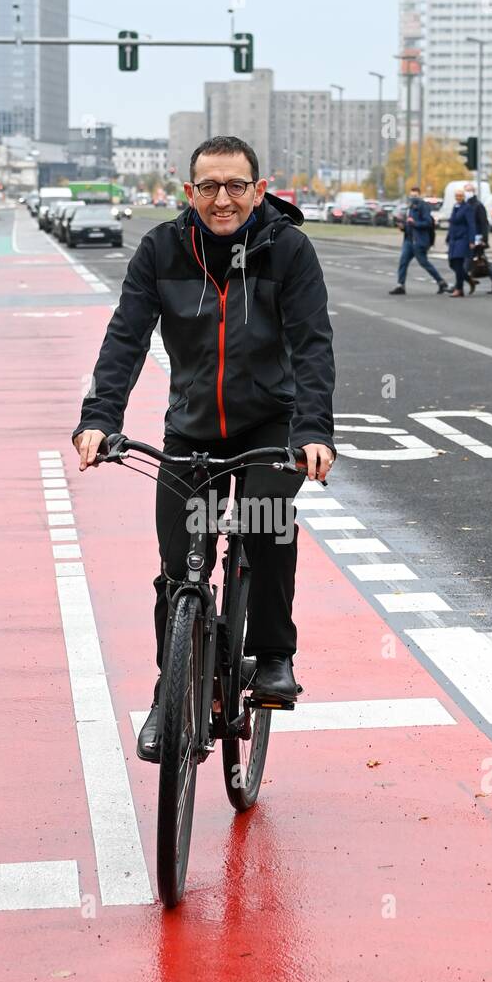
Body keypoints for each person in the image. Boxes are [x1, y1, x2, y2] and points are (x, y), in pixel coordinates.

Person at [71, 135, 337, 761]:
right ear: (188, 191)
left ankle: (272, 655)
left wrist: (313, 433)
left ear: (259, 189)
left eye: (236, 186)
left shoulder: (289, 250)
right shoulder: (161, 249)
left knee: (266, 521)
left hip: (272, 425)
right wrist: (99, 419)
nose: (223, 199)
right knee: (177, 570)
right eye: (209, 187)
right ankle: (175, 689)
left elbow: (313, 347)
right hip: (191, 430)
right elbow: (125, 339)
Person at [388, 186, 448, 295]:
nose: (413, 198)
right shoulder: (410, 207)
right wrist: (403, 227)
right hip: (409, 239)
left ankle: (441, 282)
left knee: (424, 263)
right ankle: (400, 285)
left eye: (415, 196)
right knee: (403, 262)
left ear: (419, 195)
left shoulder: (423, 206)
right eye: (411, 196)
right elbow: (409, 224)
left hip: (419, 241)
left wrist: (414, 223)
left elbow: (428, 223)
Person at [463, 181, 492, 294]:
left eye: (468, 190)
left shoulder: (478, 205)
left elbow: (483, 224)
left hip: (477, 239)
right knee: (482, 262)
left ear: (473, 192)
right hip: (469, 238)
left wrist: (484, 239)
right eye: (466, 190)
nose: (466, 193)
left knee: (471, 262)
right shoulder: (467, 205)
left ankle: (459, 284)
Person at [446, 186, 477, 297]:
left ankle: (459, 289)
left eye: (460, 196)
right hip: (453, 240)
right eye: (457, 196)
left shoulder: (467, 208)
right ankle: (469, 280)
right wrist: (448, 237)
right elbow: (452, 223)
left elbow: (471, 225)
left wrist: (472, 240)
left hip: (463, 239)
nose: (458, 197)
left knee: (458, 263)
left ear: (463, 197)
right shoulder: (455, 206)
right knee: (452, 263)